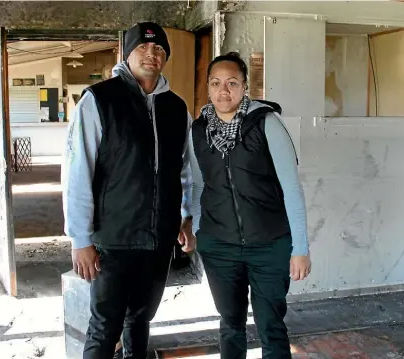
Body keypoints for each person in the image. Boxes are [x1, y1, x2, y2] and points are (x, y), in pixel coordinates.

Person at [61, 22, 196, 359]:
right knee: (104, 326)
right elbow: (78, 173)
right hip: (113, 239)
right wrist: (81, 239)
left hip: (159, 239)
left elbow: (189, 171)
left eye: (159, 49)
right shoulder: (99, 100)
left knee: (141, 319)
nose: (151, 54)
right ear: (127, 52)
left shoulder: (177, 109)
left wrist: (187, 217)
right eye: (143, 47)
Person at [189, 52, 311, 359]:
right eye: (216, 83)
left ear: (245, 86)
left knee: (271, 325)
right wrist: (196, 229)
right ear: (208, 88)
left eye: (232, 83)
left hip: (269, 246)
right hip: (219, 246)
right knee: (230, 323)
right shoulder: (198, 131)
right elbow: (199, 186)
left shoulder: (266, 123)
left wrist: (300, 249)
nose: (223, 91)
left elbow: (292, 190)